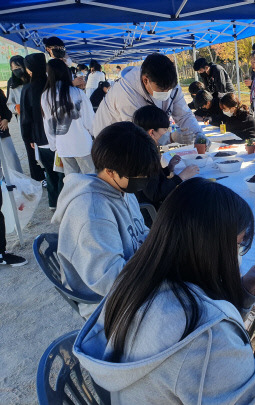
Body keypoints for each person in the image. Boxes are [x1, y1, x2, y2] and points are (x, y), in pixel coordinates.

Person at [73, 177, 255, 404]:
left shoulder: (137, 274)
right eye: (238, 244)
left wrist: (242, 292)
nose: (238, 253)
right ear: (209, 249)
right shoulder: (206, 338)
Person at [52, 121, 161, 318]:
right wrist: (159, 270)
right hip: (107, 304)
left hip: (132, 277)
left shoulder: (120, 188)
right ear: (110, 171)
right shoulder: (91, 211)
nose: (143, 179)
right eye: (138, 175)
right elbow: (109, 279)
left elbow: (140, 233)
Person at [94, 53, 205, 144]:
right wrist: (170, 137)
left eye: (169, 89)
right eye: (161, 90)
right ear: (145, 80)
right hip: (113, 141)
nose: (166, 94)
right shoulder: (126, 93)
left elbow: (184, 114)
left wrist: (198, 133)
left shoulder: (172, 83)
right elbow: (137, 132)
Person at [133, 105, 199, 209]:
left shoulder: (142, 147)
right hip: (152, 211)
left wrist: (168, 169)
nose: (166, 133)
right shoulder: (146, 155)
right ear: (152, 132)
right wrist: (181, 177)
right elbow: (155, 194)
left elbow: (152, 180)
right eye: (164, 130)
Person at [21, 53, 63, 210]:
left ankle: (53, 203)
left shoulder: (28, 89)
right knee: (62, 173)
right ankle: (63, 204)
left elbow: (25, 118)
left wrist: (28, 138)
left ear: (30, 69)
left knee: (50, 173)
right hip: (59, 137)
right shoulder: (53, 84)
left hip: (40, 139)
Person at [41, 59, 95, 175]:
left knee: (71, 180)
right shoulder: (77, 93)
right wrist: (94, 134)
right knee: (90, 177)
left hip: (63, 145)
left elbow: (48, 124)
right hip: (82, 143)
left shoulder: (45, 96)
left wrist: (53, 144)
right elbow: (90, 120)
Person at [7, 56, 41, 181]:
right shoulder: (12, 83)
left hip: (38, 118)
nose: (16, 70)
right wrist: (16, 108)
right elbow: (9, 103)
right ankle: (37, 177)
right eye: (13, 68)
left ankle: (47, 171)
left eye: (18, 67)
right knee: (30, 149)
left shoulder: (32, 79)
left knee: (42, 147)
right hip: (24, 121)